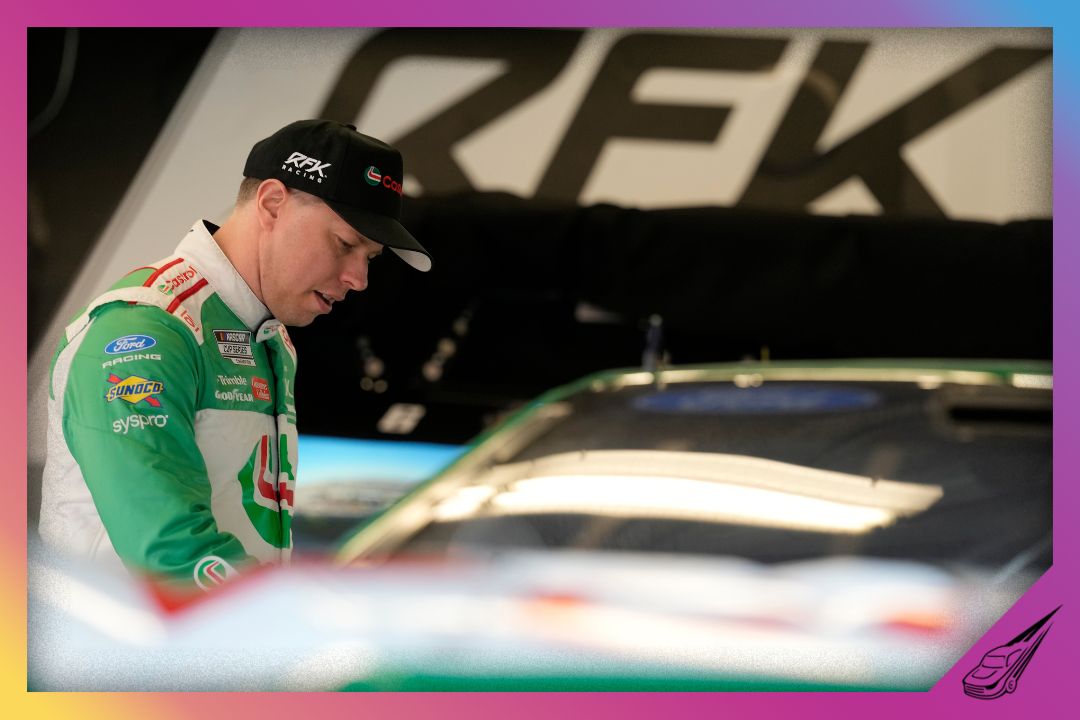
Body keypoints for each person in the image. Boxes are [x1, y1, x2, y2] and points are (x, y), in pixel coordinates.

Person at [38, 119, 431, 592]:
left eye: (369, 257)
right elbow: (168, 548)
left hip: (210, 652)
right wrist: (294, 634)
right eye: (345, 244)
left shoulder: (268, 336)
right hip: (119, 657)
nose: (359, 278)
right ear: (271, 203)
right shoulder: (146, 330)